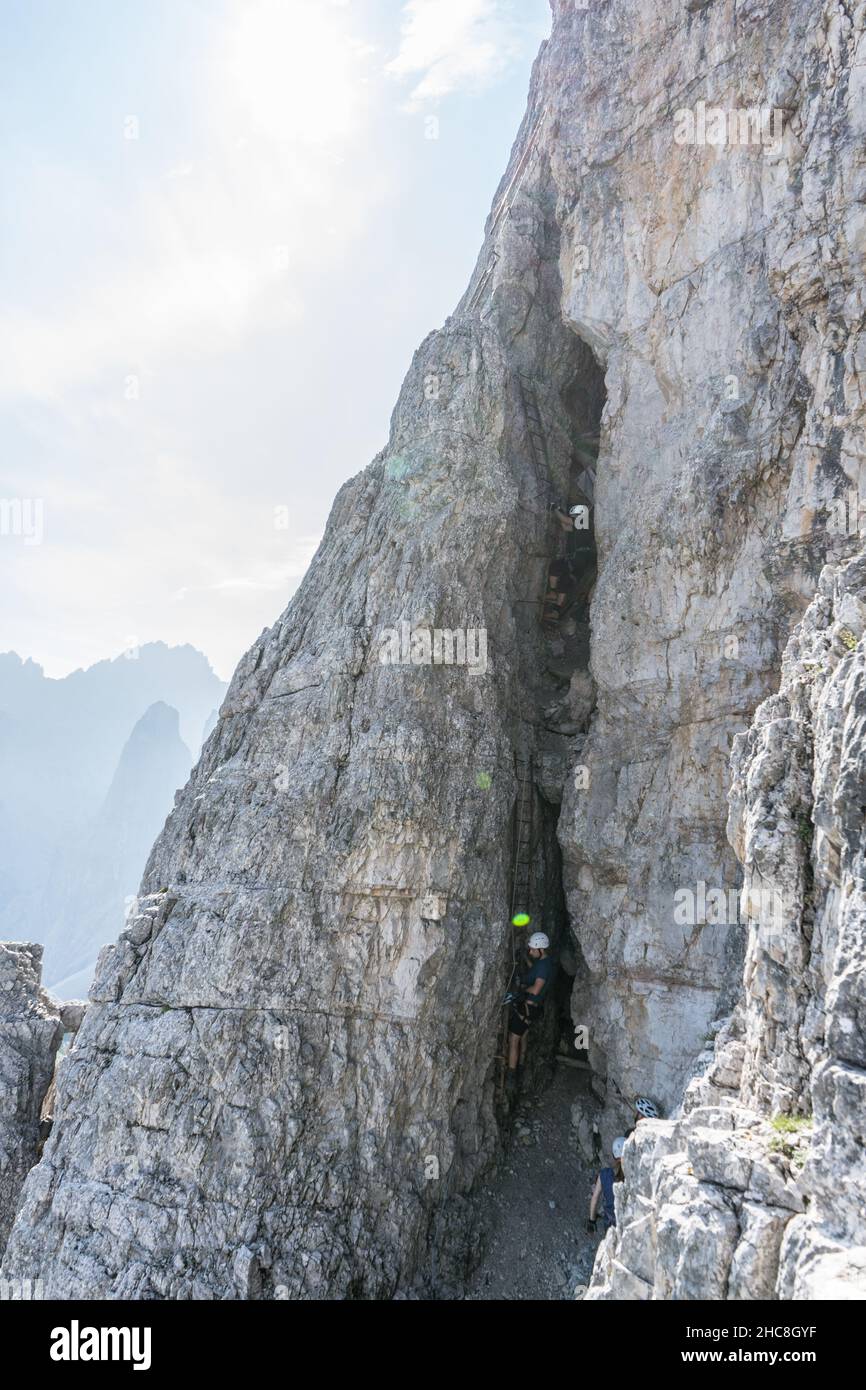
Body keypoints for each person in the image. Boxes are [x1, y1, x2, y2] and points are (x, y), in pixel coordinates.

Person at [507, 932, 552, 1081]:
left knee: (514, 1039)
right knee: (523, 1036)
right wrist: (526, 960)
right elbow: (536, 970)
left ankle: (511, 1077)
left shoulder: (544, 967)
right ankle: (520, 1068)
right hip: (533, 1009)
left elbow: (536, 989)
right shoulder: (544, 962)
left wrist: (521, 990)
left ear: (541, 950)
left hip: (528, 1007)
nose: (530, 951)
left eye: (533, 949)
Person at [586, 1137, 626, 1233]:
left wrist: (592, 1221)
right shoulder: (631, 1175)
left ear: (613, 1155)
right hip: (626, 1223)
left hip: (610, 1223)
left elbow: (595, 1198)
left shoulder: (604, 1174)